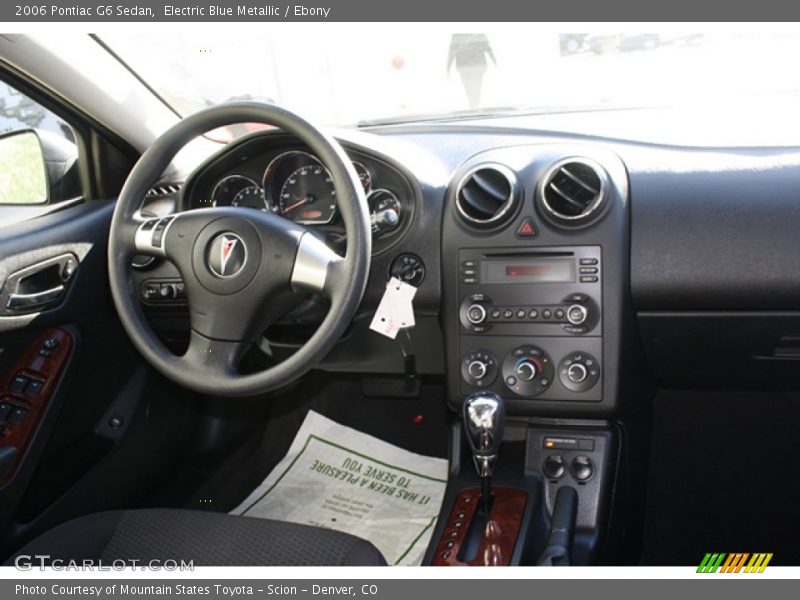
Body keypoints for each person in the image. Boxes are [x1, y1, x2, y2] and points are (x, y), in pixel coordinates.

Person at [447, 34, 496, 109]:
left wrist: (448, 68)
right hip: (475, 65)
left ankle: (473, 106)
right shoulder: (478, 33)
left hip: (466, 66)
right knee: (476, 89)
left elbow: (452, 51)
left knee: (471, 89)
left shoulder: (457, 35)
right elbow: (488, 47)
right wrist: (495, 61)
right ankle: (474, 106)